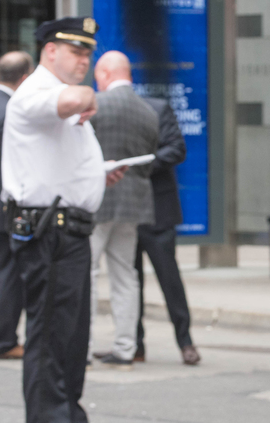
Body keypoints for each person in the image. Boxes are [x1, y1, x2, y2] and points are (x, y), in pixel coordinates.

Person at [2, 17, 125, 423]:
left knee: (71, 337)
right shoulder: (37, 92)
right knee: (52, 336)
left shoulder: (56, 93)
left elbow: (56, 162)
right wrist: (88, 95)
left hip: (68, 231)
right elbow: (74, 100)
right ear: (50, 51)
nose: (84, 60)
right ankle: (49, 416)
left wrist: (98, 173)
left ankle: (67, 412)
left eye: (88, 53)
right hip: (48, 232)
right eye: (76, 52)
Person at [89, 51, 160, 369]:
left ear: (105, 73)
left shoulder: (95, 104)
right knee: (125, 276)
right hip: (133, 204)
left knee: (87, 274)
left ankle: (82, 346)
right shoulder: (148, 111)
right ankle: (125, 347)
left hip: (96, 201)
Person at [134, 93, 200, 366]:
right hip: (126, 213)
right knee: (129, 283)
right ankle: (135, 345)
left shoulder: (158, 108)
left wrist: (137, 166)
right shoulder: (105, 109)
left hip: (158, 210)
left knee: (169, 280)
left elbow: (176, 149)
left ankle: (186, 342)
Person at [0, 51, 33, 360]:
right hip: (1, 202)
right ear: (24, 78)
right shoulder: (11, 111)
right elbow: (15, 162)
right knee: (8, 270)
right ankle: (5, 341)